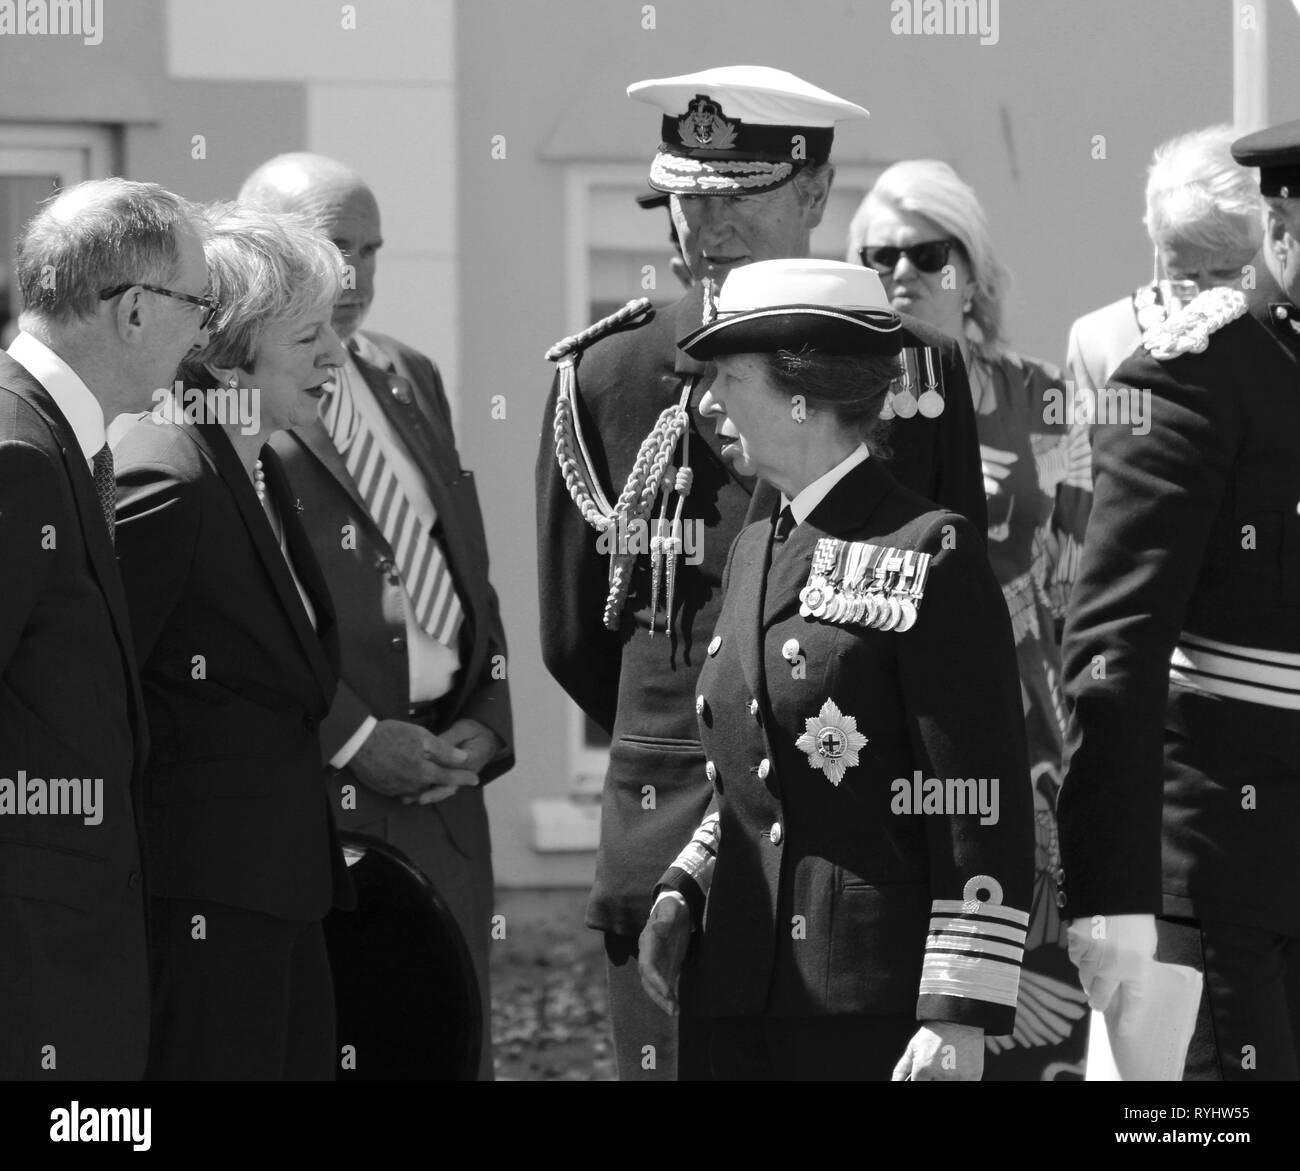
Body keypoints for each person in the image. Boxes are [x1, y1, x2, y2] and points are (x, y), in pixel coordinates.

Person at [536, 64, 986, 1083]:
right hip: (665, 843)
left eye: (738, 193)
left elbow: (957, 636)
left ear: (816, 196)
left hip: (856, 851)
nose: (709, 222)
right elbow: (575, 636)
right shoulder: (606, 373)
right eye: (689, 194)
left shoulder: (907, 367)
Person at [637, 258, 1033, 1080]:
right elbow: (759, 769)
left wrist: (956, 1012)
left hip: (868, 1006)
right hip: (735, 993)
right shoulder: (756, 544)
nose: (706, 402)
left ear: (801, 394)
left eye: (726, 377)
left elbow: (975, 798)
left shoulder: (928, 548)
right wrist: (686, 886)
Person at [242, 153, 514, 1080]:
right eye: (331, 248)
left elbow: (463, 562)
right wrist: (355, 739)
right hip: (322, 797)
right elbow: (229, 621)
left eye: (370, 250)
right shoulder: (217, 397)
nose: (353, 277)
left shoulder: (409, 372)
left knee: (447, 1044)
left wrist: (489, 713)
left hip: (445, 788)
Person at [1057, 117, 1300, 1080]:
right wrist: (1111, 901)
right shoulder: (1197, 376)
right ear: (1280, 227)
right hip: (1223, 891)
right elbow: (1113, 654)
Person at [846, 160, 1090, 1078]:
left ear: (972, 271)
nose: (901, 273)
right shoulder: (840, 405)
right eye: (877, 257)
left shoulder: (1042, 394)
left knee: (1027, 1035)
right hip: (873, 743)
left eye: (925, 252)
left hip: (1026, 748)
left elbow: (1077, 576)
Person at [111, 203, 354, 1079]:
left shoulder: (254, 463)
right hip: (201, 906)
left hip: (279, 891)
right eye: (309, 336)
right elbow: (95, 692)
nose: (336, 355)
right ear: (228, 347)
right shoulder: (165, 471)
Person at [0, 178, 210, 1079]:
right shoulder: (19, 452)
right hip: (30, 970)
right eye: (199, 306)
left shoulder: (55, 440)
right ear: (134, 311)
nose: (204, 335)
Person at [1066, 125, 1262, 397]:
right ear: (1158, 246)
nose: (1206, 294)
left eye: (1226, 272)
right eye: (1185, 277)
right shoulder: (1099, 342)